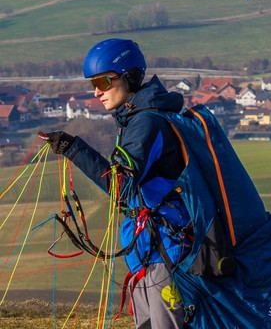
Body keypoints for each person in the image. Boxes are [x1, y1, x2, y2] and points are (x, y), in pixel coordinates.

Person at [42, 38, 192, 329]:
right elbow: (129, 194)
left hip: (165, 245)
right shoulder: (133, 120)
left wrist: (75, 149)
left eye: (103, 81)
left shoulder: (147, 123)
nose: (97, 91)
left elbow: (120, 186)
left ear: (130, 77)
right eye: (93, 83)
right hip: (147, 244)